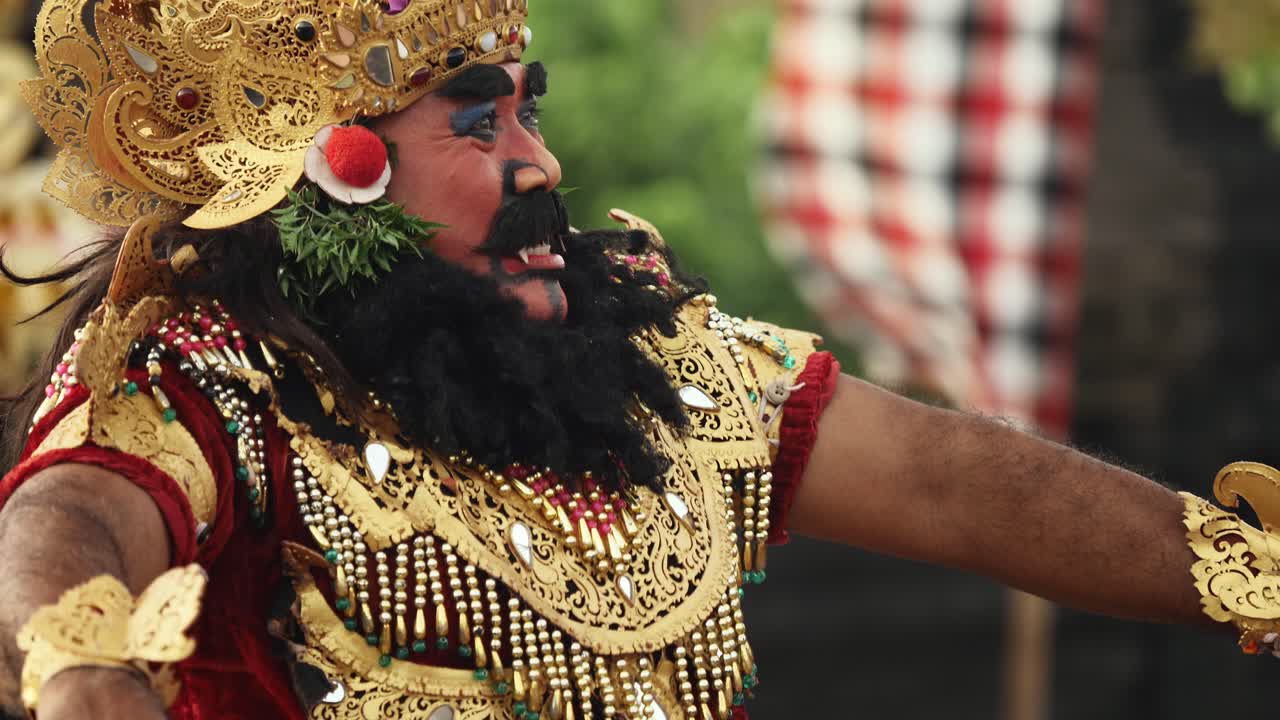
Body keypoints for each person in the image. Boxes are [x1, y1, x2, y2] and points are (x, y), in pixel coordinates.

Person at [0, 1, 1276, 719]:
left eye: (528, 111)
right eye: (478, 123)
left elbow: (951, 481)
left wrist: (1250, 572)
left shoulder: (638, 347)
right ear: (338, 166)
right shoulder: (204, 370)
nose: (539, 163)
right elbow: (65, 513)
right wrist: (80, 671)